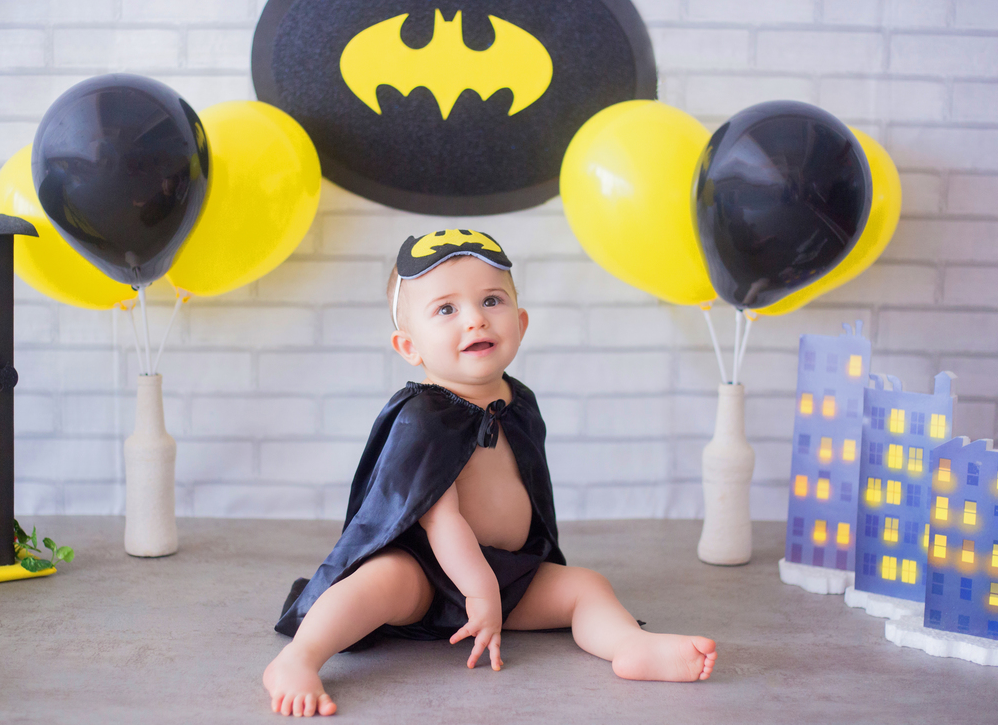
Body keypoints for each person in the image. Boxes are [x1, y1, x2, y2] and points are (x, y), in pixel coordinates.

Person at [263, 230, 716, 717]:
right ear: (409, 346)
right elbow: (440, 518)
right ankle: (299, 658)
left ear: (520, 322)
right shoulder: (425, 416)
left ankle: (629, 645)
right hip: (426, 573)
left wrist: (495, 586)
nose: (475, 318)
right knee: (376, 584)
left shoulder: (518, 402)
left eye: (491, 300)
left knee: (586, 586)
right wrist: (478, 590)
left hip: (507, 574)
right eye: (446, 309)